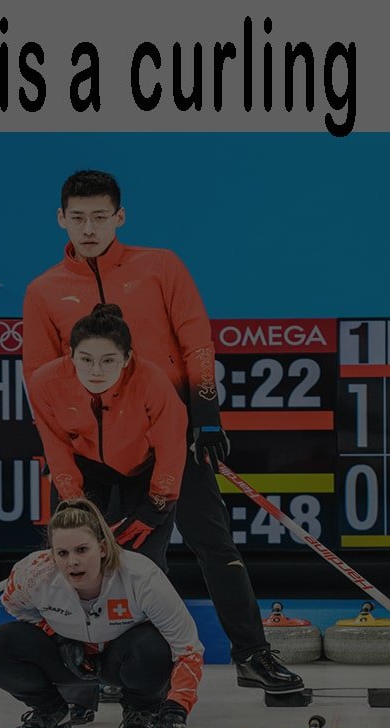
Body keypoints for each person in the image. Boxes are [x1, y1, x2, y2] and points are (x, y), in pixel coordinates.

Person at [21, 169, 304, 695]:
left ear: (120, 217)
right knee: (91, 557)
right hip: (94, 453)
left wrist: (206, 412)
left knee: (214, 543)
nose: (89, 229)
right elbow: (41, 380)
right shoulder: (43, 291)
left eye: (100, 217)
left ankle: (252, 654)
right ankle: (101, 669)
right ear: (61, 219)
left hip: (171, 434)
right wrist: (69, 478)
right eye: (78, 218)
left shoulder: (159, 267)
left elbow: (196, 340)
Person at [0, 497, 203, 728]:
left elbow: (188, 650)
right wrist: (57, 637)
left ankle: (142, 710)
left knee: (153, 646)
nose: (72, 561)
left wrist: (176, 710)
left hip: (123, 660)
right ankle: (51, 710)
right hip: (68, 661)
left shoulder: (142, 578)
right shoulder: (33, 574)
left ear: (102, 548)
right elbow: (14, 605)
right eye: (62, 553)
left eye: (82, 550)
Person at [27, 302, 187, 574]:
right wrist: (74, 504)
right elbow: (56, 446)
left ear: (127, 358)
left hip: (142, 469)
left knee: (144, 565)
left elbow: (171, 446)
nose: (96, 371)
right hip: (83, 466)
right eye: (86, 359)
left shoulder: (153, 381)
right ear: (71, 355)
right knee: (76, 559)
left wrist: (155, 508)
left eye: (109, 360)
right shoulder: (45, 382)